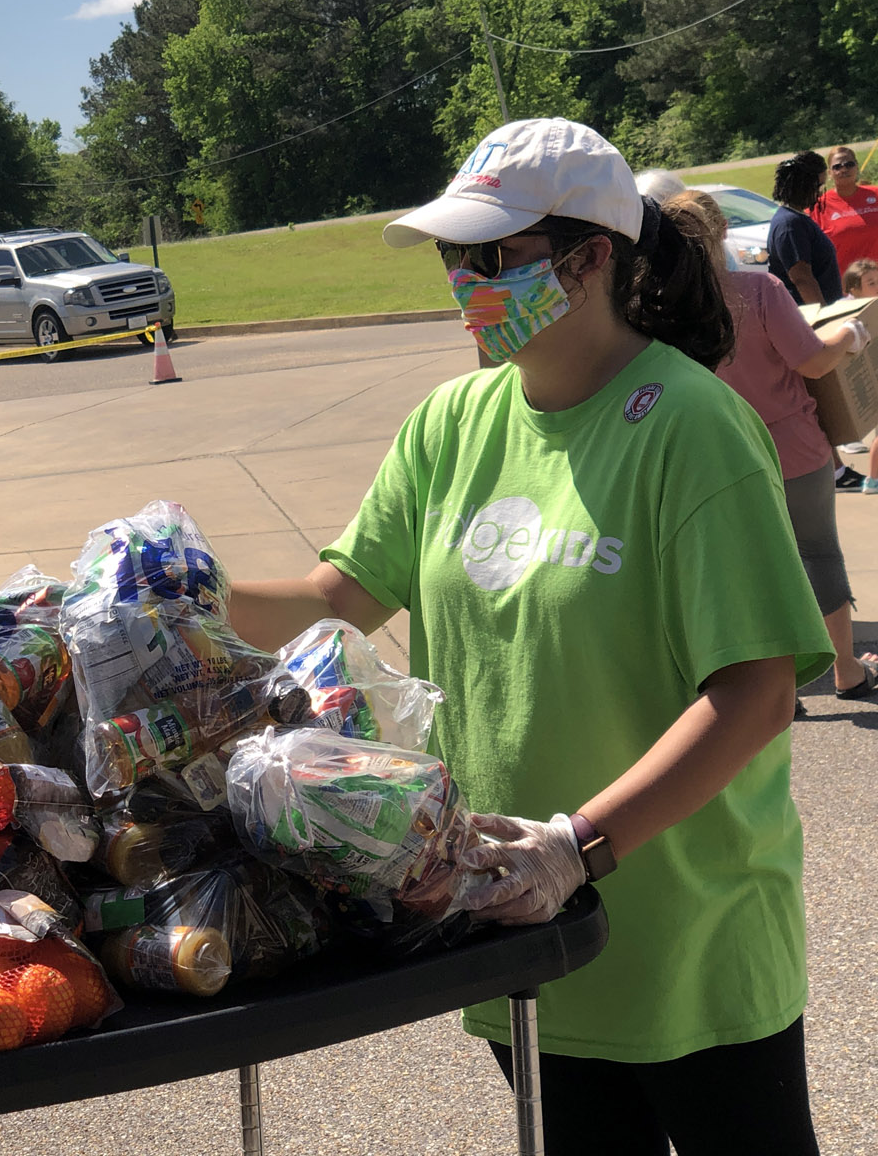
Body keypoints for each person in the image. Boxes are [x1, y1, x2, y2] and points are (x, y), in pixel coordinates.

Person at [227, 118, 829, 1155]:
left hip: (687, 937)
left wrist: (577, 844)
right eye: (454, 258)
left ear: (591, 258)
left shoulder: (689, 425)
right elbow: (338, 599)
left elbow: (755, 694)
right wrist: (183, 596)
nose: (461, 281)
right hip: (519, 930)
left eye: (491, 259)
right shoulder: (451, 424)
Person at [669, 188, 877, 704]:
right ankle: (846, 670)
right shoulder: (759, 290)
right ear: (721, 234)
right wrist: (850, 336)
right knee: (818, 555)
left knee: (747, 570)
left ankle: (777, 692)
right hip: (791, 447)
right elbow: (810, 360)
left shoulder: (662, 308)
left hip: (717, 455)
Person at [768, 150, 841, 307]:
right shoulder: (790, 224)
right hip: (809, 318)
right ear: (804, 185)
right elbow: (802, 278)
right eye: (819, 186)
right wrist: (824, 316)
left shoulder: (795, 218)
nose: (820, 193)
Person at [811, 146, 878, 274]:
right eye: (837, 167)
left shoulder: (875, 195)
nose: (844, 169)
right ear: (829, 172)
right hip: (843, 285)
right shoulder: (818, 206)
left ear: (857, 166)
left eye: (849, 164)